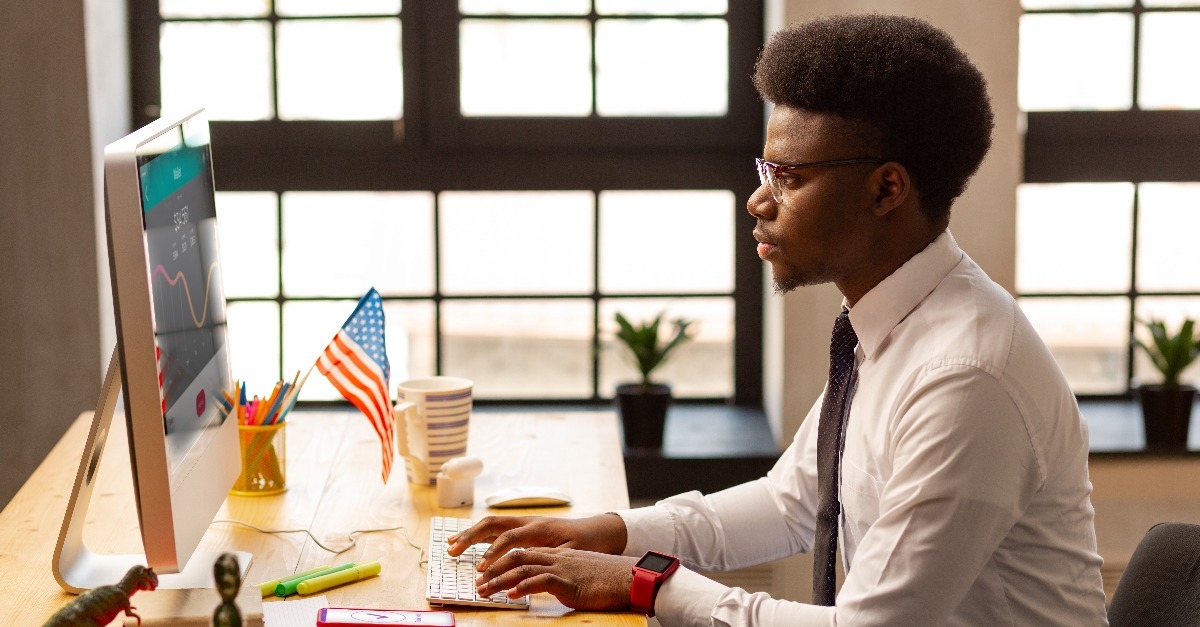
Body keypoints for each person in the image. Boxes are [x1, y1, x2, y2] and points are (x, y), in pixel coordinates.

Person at [446, 13, 1109, 626]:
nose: (758, 200)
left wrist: (645, 583)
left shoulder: (964, 377)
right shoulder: (895, 324)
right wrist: (610, 532)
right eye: (766, 169)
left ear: (886, 188)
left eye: (789, 177)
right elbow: (791, 502)